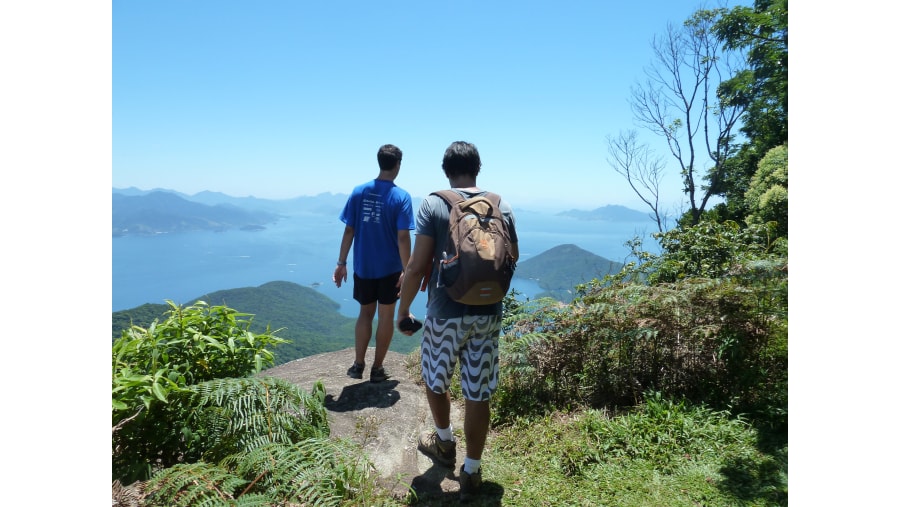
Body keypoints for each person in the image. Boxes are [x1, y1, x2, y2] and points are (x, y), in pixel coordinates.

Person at [396, 141, 518, 501]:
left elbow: (417, 265)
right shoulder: (501, 205)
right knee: (478, 393)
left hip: (445, 312)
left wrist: (403, 311)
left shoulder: (435, 203)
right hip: (489, 312)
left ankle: (445, 444)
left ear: (446, 170)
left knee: (435, 378)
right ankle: (472, 471)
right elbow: (511, 257)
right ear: (477, 168)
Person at [333, 144, 415, 383]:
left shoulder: (359, 192)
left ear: (379, 162)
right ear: (398, 165)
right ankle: (377, 369)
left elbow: (349, 230)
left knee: (364, 314)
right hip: (390, 269)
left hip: (363, 267)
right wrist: (407, 269)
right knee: (385, 317)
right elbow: (403, 237)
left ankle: (358, 365)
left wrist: (341, 262)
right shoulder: (401, 197)